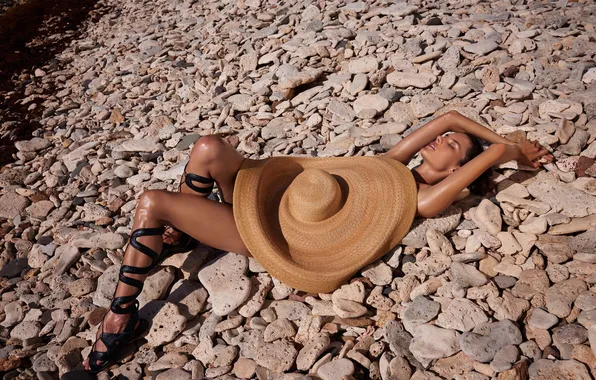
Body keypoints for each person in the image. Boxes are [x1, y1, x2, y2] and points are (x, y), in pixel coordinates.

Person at [83, 110, 551, 373]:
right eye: (445, 139)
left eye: (451, 146)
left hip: (267, 233)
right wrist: (491, 135)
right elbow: (449, 115)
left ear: (456, 172)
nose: (441, 139)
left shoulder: (425, 199)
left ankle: (121, 317)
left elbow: (492, 154)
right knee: (208, 146)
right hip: (278, 200)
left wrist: (510, 150)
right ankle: (182, 231)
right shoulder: (388, 167)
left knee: (151, 201)